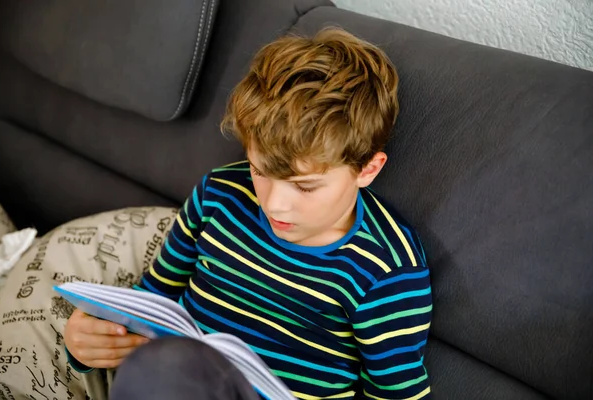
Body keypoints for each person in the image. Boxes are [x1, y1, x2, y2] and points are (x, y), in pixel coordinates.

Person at [64, 28, 433, 400]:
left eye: (304, 186)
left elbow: (396, 396)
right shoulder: (218, 195)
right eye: (259, 171)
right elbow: (151, 302)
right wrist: (90, 343)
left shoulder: (385, 271)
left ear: (367, 170)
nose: (273, 204)